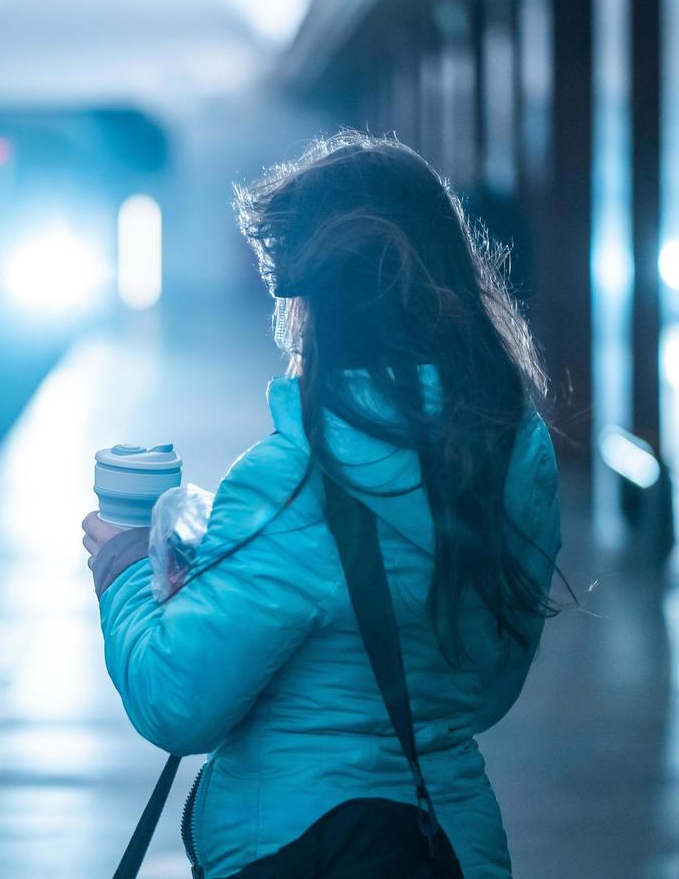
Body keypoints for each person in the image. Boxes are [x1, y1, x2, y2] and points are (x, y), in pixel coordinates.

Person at [82, 131, 564, 878]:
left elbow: (175, 702)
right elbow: (487, 688)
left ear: (320, 302)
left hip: (304, 847)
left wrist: (121, 562)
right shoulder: (513, 451)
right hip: (452, 846)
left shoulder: (292, 481)